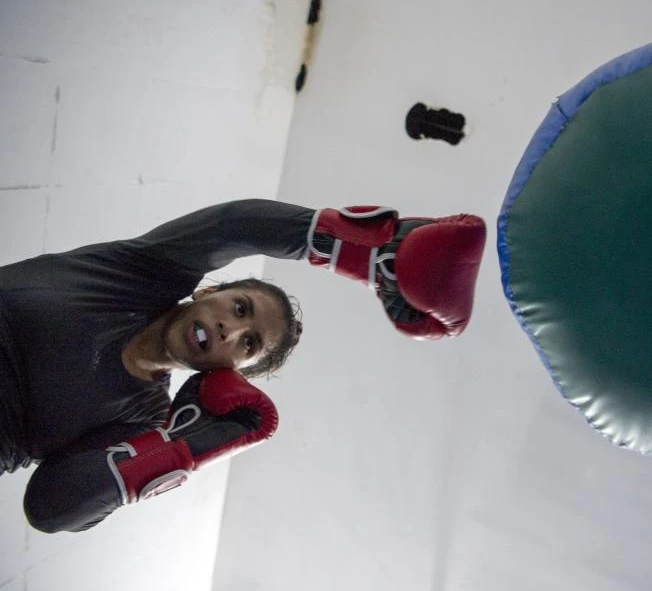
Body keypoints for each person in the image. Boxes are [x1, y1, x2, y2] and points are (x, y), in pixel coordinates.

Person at [0, 199, 486, 532]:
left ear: (229, 372)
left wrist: (181, 447)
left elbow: (49, 508)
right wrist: (371, 248)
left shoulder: (145, 422)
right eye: (238, 308)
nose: (231, 329)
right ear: (209, 291)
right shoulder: (135, 274)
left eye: (247, 343)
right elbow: (234, 226)